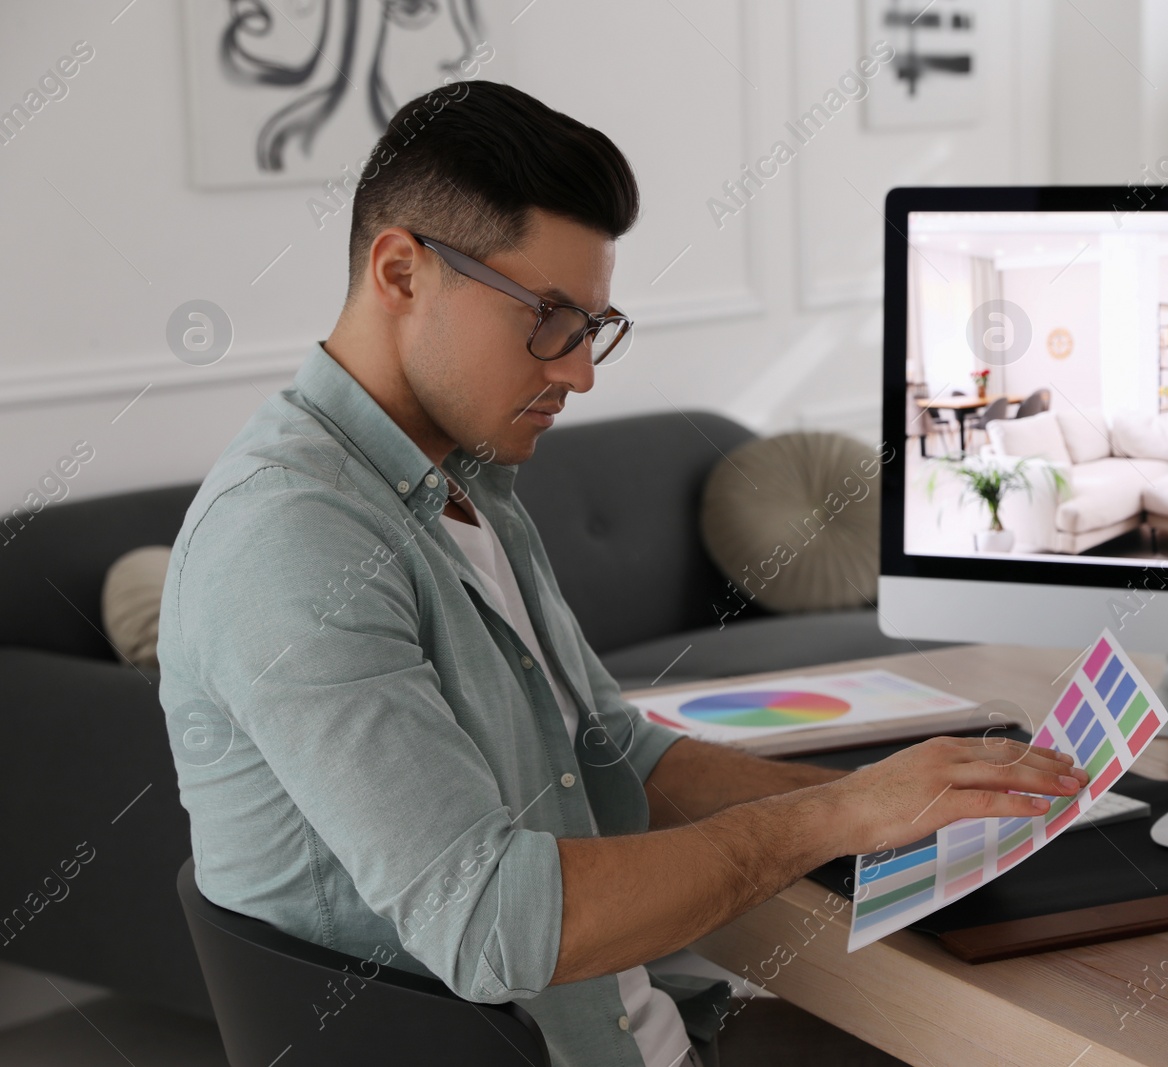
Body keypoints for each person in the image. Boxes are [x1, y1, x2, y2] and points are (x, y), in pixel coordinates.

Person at [157, 80, 1086, 1067]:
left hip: (642, 1020)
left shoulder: (466, 480)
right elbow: (493, 925)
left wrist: (886, 801)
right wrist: (832, 816)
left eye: (593, 326)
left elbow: (619, 758)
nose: (579, 371)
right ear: (401, 271)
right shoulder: (294, 541)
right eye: (549, 318)